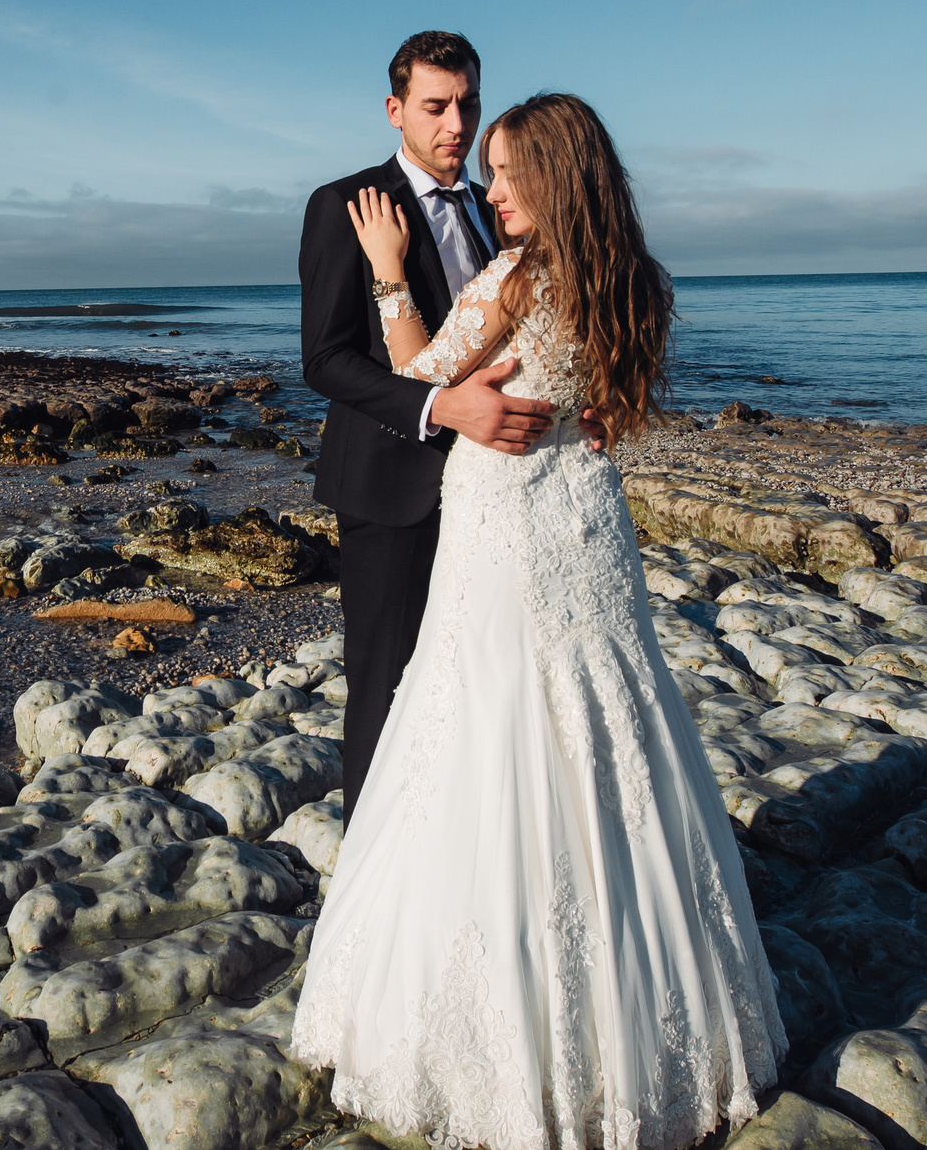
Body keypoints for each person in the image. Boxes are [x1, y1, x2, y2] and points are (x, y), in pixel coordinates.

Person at [289, 92, 784, 1150]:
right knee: (609, 724)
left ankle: (488, 1017)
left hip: (508, 525)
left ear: (556, 175)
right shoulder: (631, 281)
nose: (492, 186)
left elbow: (420, 373)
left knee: (485, 722)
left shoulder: (515, 276)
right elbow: (614, 406)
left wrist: (386, 273)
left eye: (510, 171)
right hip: (589, 525)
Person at [298, 31, 561, 805]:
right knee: (384, 687)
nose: (457, 124)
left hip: (489, 493)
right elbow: (326, 360)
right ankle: (368, 896)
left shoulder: (497, 207)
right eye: (436, 106)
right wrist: (440, 405)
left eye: (468, 103)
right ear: (395, 110)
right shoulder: (345, 205)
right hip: (388, 486)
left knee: (474, 678)